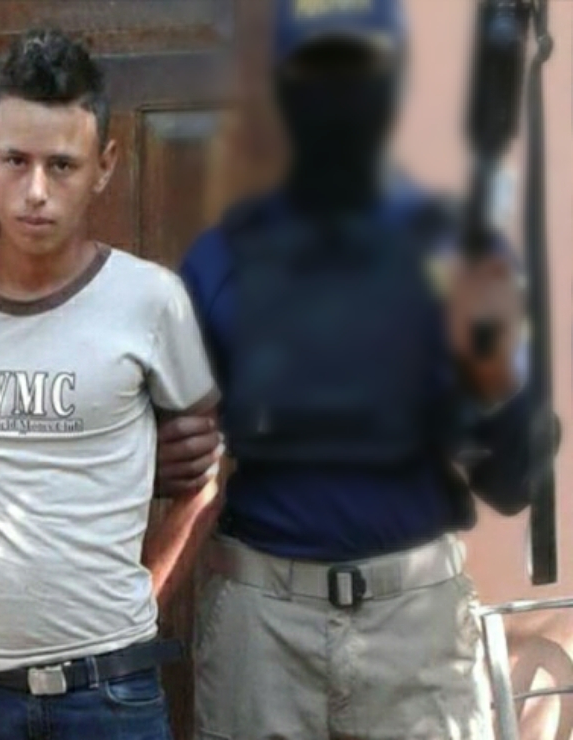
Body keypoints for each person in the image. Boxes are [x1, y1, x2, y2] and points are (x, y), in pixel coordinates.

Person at [175, 1, 538, 738]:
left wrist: (494, 380)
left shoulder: (458, 252)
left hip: (417, 634)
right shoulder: (219, 262)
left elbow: (513, 480)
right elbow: (174, 463)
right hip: (263, 634)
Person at [0, 28, 224, 740]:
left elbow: (203, 478)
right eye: (15, 160)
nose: (36, 192)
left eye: (63, 165)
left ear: (105, 166)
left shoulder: (152, 301)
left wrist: (144, 593)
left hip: (110, 690)